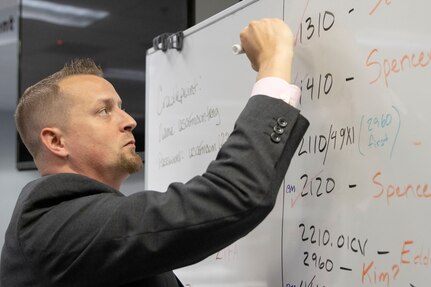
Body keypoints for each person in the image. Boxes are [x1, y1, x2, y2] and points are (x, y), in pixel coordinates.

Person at [0, 19, 309, 286]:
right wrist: (274, 63)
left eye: (120, 107)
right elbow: (230, 196)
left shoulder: (79, 222)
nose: (130, 121)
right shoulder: (53, 222)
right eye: (104, 111)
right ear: (56, 142)